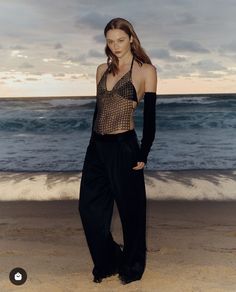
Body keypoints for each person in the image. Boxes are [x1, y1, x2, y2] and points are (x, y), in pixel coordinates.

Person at [78, 17, 157, 285]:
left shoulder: (146, 71)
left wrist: (143, 154)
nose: (116, 45)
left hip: (124, 148)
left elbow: (151, 118)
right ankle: (109, 259)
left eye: (120, 40)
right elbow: (97, 112)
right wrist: (91, 146)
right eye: (110, 41)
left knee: (131, 212)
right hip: (97, 148)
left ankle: (133, 266)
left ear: (131, 39)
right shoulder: (101, 69)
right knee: (88, 209)